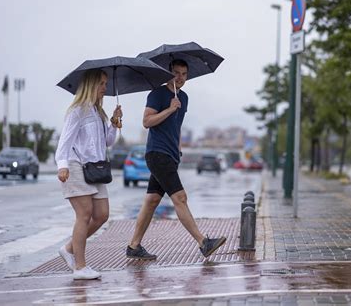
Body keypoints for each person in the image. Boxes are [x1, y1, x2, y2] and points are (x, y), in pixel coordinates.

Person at [126, 59, 226, 260]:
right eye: (176, 73)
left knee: (152, 200)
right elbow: (146, 121)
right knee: (180, 198)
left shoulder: (184, 98)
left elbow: (176, 126)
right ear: (168, 73)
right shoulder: (157, 94)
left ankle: (133, 246)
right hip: (157, 153)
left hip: (171, 155)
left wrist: (178, 150)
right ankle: (203, 242)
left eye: (184, 74)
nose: (180, 77)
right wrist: (170, 109)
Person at [55, 69, 123, 280]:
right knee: (84, 215)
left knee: (102, 214)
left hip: (95, 169)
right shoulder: (78, 110)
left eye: (105, 83)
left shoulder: (98, 112)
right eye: (102, 83)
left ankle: (68, 249)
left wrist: (113, 123)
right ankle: (80, 267)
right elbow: (64, 141)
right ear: (90, 85)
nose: (105, 88)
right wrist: (62, 165)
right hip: (75, 165)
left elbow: (107, 142)